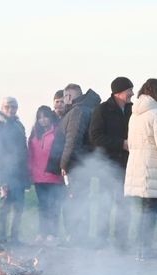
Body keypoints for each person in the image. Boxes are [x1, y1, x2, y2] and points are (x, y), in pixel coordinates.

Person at [124, 79, 157, 261]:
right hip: (152, 166)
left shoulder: (134, 114)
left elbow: (130, 144)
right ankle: (145, 250)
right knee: (150, 211)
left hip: (137, 165)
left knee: (144, 210)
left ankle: (141, 249)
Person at [52, 83, 102, 244]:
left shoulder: (77, 111)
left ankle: (77, 237)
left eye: (65, 96)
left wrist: (64, 164)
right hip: (82, 163)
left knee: (75, 200)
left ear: (68, 97)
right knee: (79, 200)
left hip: (77, 165)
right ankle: (79, 236)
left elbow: (72, 140)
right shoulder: (83, 109)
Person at [89, 76, 134, 249]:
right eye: (129, 90)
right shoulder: (102, 110)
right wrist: (121, 143)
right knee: (105, 204)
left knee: (125, 204)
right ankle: (102, 241)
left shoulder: (132, 110)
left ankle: (122, 242)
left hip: (127, 165)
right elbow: (95, 136)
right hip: (107, 165)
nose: (132, 93)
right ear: (119, 92)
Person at [0, 97, 29, 244]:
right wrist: (1, 181)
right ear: (2, 107)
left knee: (19, 207)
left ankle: (15, 238)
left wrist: (26, 176)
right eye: (8, 107)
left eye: (14, 107)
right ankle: (2, 240)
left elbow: (24, 151)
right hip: (5, 173)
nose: (11, 110)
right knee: (4, 208)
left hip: (19, 174)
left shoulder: (19, 125)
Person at [28, 106, 65, 243]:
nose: (43, 120)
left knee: (54, 206)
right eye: (40, 118)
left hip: (54, 177)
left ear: (50, 117)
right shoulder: (33, 134)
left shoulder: (58, 133)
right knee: (42, 206)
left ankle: (53, 234)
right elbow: (30, 155)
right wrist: (30, 172)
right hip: (38, 177)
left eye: (45, 117)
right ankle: (42, 233)